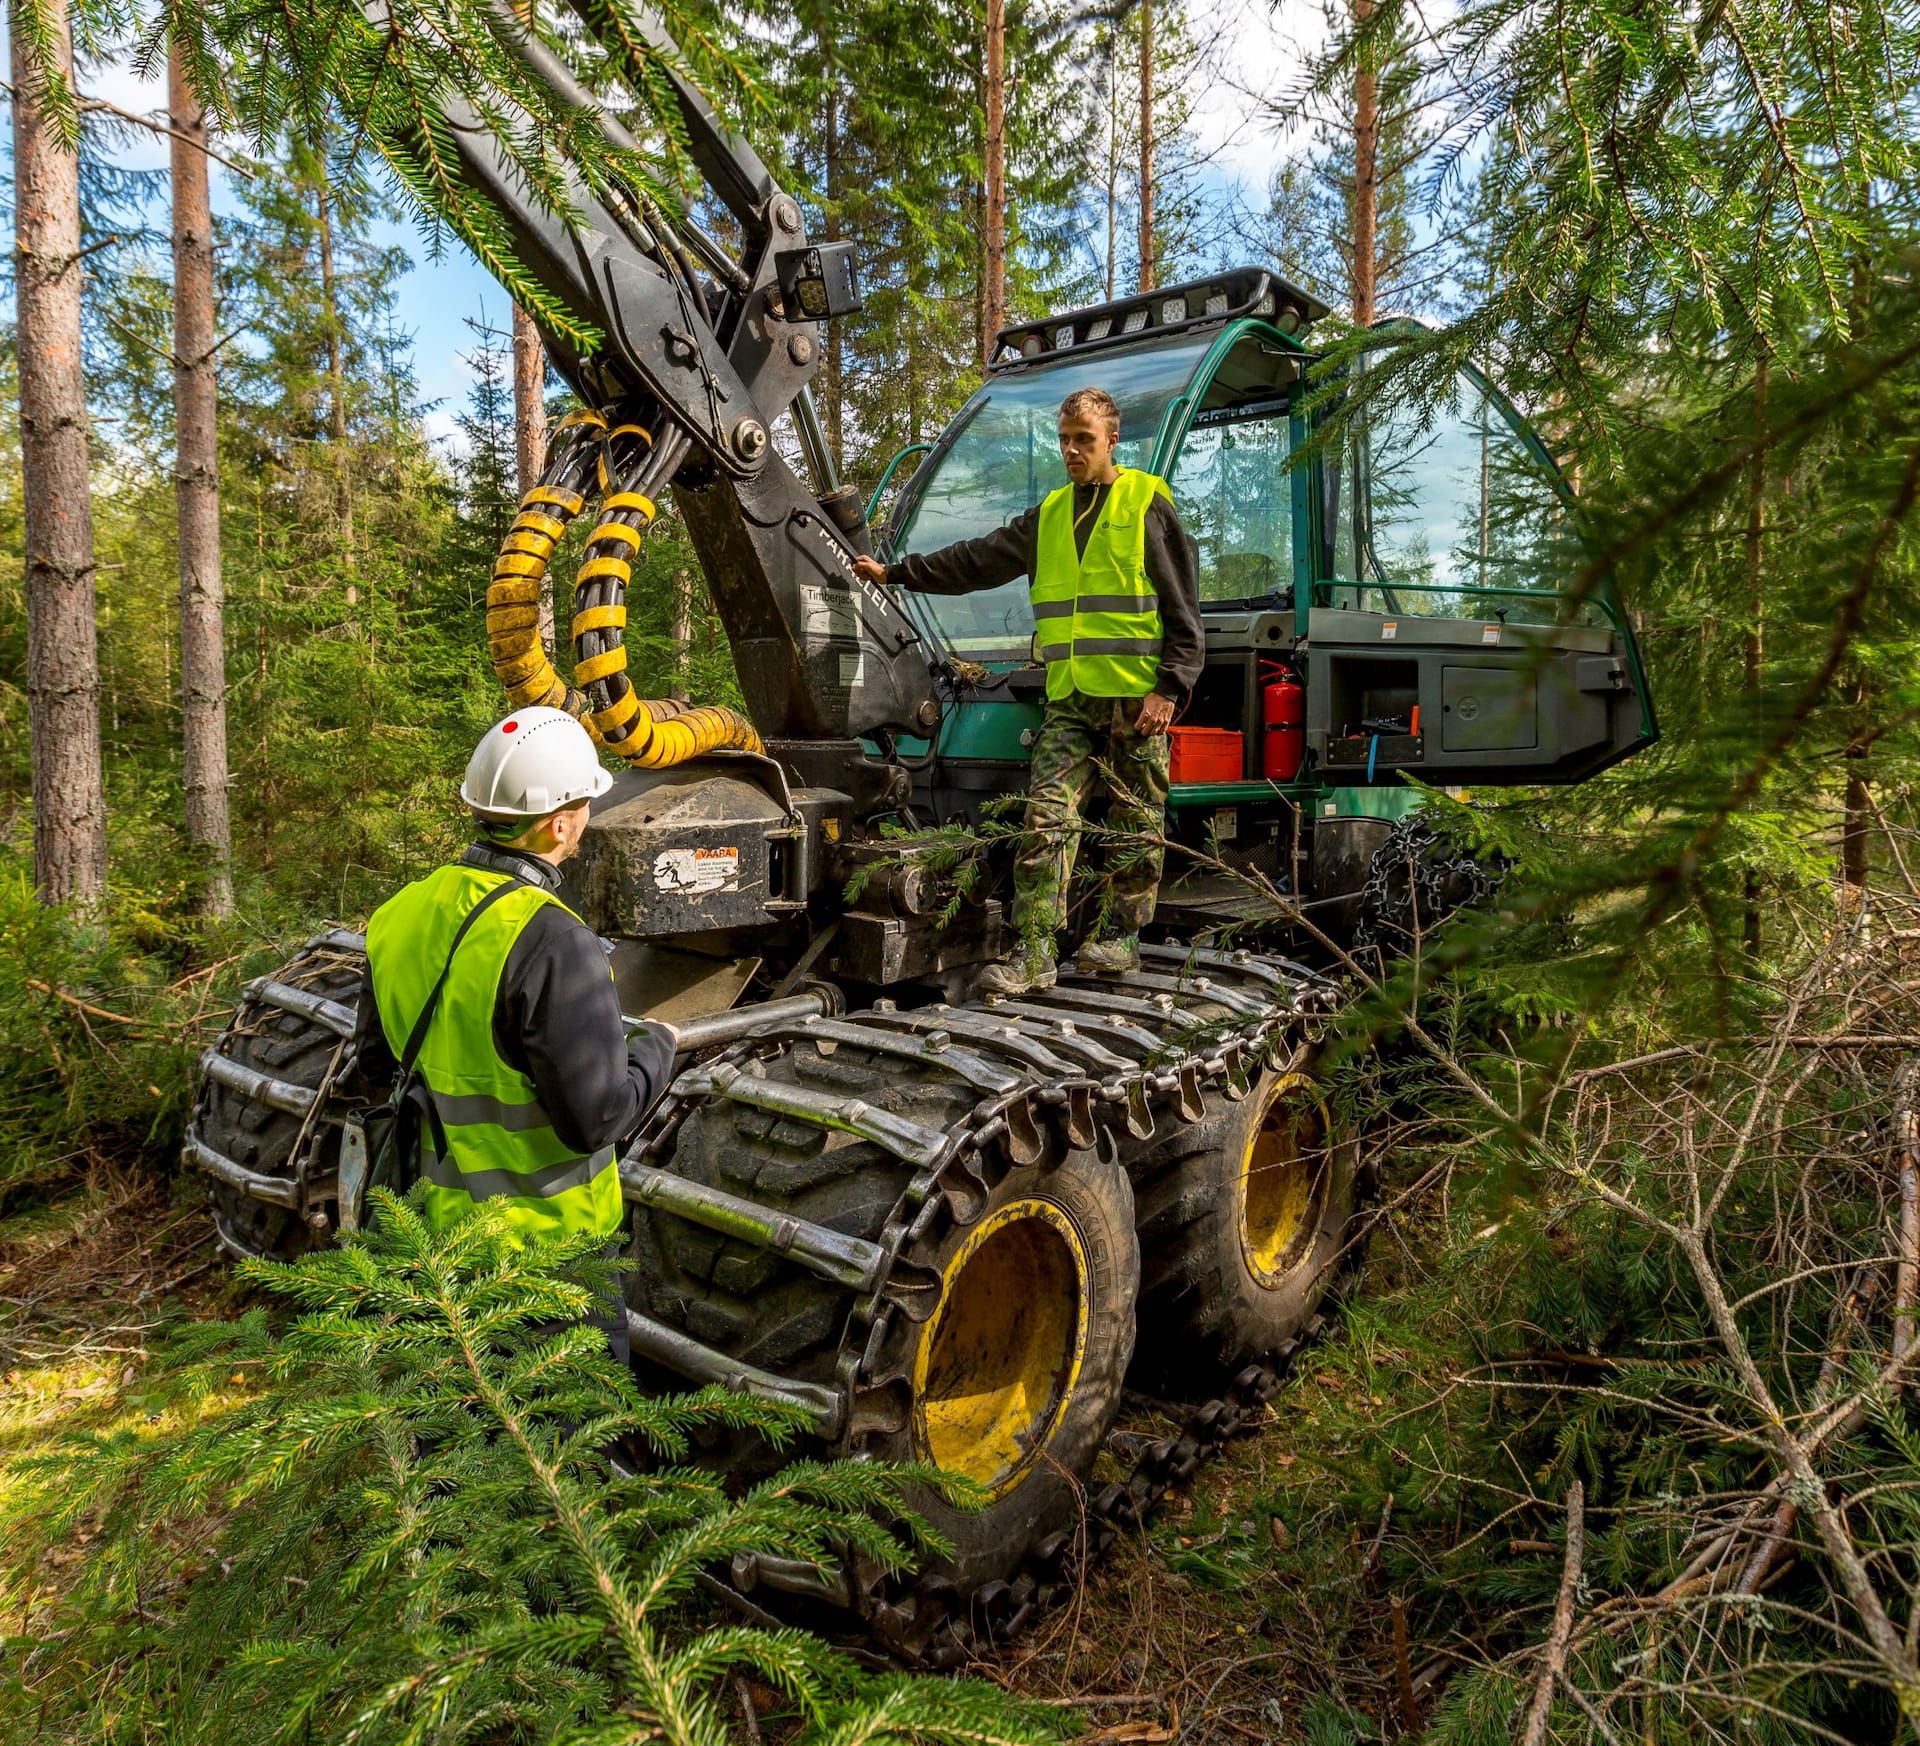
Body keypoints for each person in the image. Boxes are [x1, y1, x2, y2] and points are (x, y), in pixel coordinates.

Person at [853, 385, 1202, 994]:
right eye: (1063, 440)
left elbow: (1182, 610)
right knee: (1045, 818)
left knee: (1134, 822)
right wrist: (898, 572)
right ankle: (1035, 948)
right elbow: (978, 559)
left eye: (1083, 440)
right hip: (1069, 699)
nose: (1070, 451)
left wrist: (1169, 689)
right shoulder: (1050, 516)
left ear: (1111, 441)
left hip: (1136, 701)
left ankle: (1119, 938)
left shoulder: (1145, 505)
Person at [355, 708, 679, 1261]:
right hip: (545, 1254)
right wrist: (659, 1045)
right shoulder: (554, 940)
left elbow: (376, 1066)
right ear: (558, 824)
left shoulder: (399, 911)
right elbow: (596, 1120)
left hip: (431, 1240)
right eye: (585, 803)